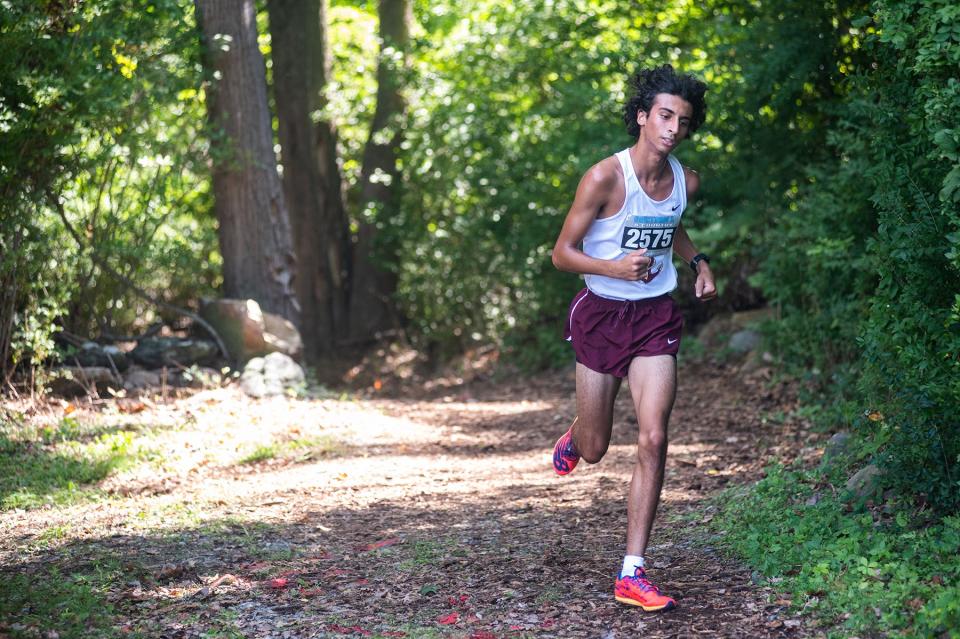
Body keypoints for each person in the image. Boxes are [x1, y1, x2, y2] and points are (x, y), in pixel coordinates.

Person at [550, 64, 716, 612]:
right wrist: (614, 269)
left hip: (655, 320)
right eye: (664, 115)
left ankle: (632, 570)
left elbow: (673, 226)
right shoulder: (604, 178)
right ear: (643, 117)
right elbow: (561, 254)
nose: (673, 128)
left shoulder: (684, 182)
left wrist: (698, 262)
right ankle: (578, 434)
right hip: (600, 313)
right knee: (597, 449)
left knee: (653, 437)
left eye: (682, 121)